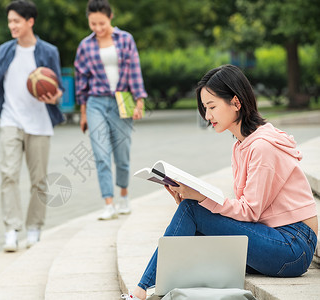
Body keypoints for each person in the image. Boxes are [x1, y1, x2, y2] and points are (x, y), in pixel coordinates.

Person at [124, 64, 318, 300]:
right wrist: (194, 198)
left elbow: (250, 211)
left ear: (236, 103)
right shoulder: (241, 145)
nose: (207, 116)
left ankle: (142, 290)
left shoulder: (263, 146)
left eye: (212, 107)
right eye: (205, 108)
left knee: (193, 211)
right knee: (193, 216)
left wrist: (202, 199)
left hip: (293, 247)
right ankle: (156, 288)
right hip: (275, 237)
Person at [0, 0, 64, 251]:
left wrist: (55, 97)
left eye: (16, 21)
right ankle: (11, 230)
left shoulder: (49, 51)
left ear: (30, 21)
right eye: (9, 21)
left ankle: (35, 227)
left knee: (39, 180)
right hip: (10, 120)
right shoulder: (5, 50)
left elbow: (59, 90)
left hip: (39, 123)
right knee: (8, 175)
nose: (12, 26)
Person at [74, 0, 147, 220]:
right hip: (96, 101)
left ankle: (124, 195)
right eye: (93, 23)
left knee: (122, 153)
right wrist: (84, 113)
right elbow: (81, 82)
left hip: (123, 99)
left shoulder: (125, 40)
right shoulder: (85, 46)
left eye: (102, 23)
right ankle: (108, 202)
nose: (97, 28)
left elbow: (135, 71)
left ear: (110, 17)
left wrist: (139, 102)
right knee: (100, 154)